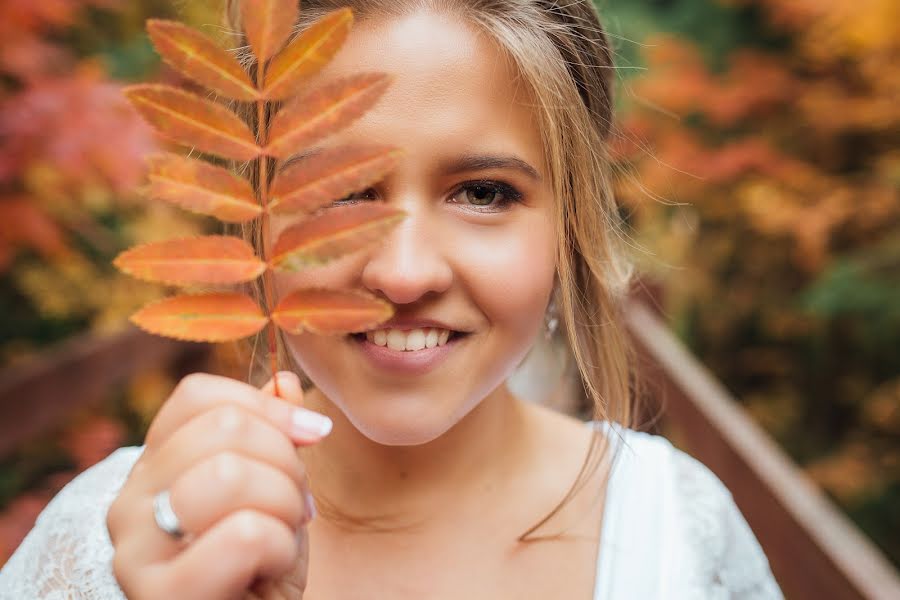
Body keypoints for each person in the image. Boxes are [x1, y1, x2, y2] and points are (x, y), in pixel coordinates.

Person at [0, 0, 785, 598]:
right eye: (340, 191)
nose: (404, 275)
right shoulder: (112, 533)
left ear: (570, 226)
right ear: (255, 215)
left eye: (483, 192)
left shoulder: (679, 534)